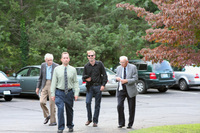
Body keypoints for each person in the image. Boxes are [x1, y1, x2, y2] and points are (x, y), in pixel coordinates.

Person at [51, 52, 79, 133]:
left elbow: (75, 82)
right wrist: (52, 94)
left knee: (69, 110)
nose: (66, 59)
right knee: (60, 109)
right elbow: (53, 82)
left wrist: (76, 93)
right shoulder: (57, 69)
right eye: (64, 58)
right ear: (61, 59)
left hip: (69, 92)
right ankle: (60, 127)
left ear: (69, 59)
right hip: (59, 92)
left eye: (67, 58)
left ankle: (70, 125)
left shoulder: (73, 70)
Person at [82, 50, 108, 127]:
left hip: (98, 86)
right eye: (89, 56)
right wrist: (86, 79)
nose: (91, 57)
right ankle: (89, 119)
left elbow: (104, 75)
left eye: (92, 55)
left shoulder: (99, 64)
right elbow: (83, 77)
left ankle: (95, 121)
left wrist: (103, 85)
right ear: (87, 57)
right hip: (90, 87)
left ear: (94, 56)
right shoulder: (86, 66)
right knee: (88, 102)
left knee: (97, 104)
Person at [116, 56, 138, 129]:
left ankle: (130, 124)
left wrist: (127, 81)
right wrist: (117, 78)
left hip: (130, 89)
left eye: (123, 62)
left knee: (131, 107)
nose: (121, 64)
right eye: (120, 62)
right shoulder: (118, 68)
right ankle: (121, 123)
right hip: (121, 89)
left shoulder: (133, 67)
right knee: (119, 105)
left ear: (127, 62)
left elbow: (135, 79)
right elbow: (116, 76)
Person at [36, 53, 58, 126]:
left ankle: (53, 121)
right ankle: (47, 115)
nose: (50, 62)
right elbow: (40, 77)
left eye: (51, 60)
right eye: (48, 60)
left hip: (52, 84)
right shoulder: (43, 65)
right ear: (45, 60)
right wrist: (37, 87)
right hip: (44, 84)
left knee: (52, 104)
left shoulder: (56, 66)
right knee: (42, 102)